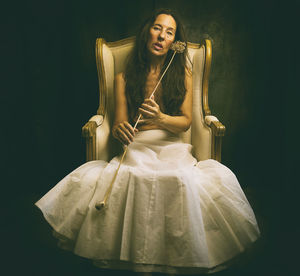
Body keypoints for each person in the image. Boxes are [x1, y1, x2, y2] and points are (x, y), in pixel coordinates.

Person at [35, 9, 260, 275]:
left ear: (174, 41)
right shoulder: (124, 77)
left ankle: (170, 253)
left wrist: (162, 117)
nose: (162, 36)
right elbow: (119, 121)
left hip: (171, 144)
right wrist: (121, 130)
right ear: (147, 33)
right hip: (138, 144)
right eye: (157, 28)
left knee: (177, 176)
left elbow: (186, 121)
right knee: (134, 174)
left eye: (169, 32)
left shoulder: (182, 74)